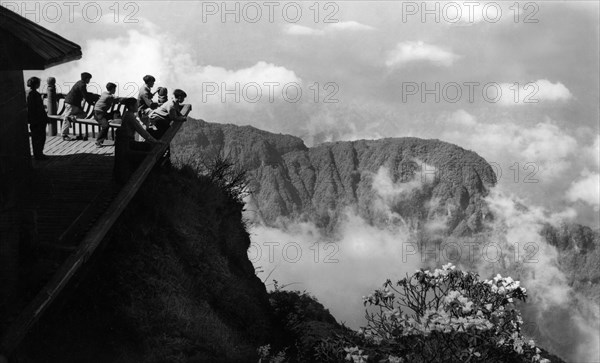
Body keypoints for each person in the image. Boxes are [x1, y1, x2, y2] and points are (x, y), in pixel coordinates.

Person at [113, 97, 161, 184]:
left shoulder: (127, 114)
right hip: (127, 143)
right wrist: (155, 141)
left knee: (145, 148)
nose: (138, 106)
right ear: (131, 106)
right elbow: (142, 131)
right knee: (148, 148)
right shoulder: (130, 117)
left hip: (123, 142)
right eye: (136, 105)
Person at [61, 72, 96, 141]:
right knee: (66, 118)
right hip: (72, 104)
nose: (89, 81)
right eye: (89, 79)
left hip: (69, 102)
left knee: (83, 114)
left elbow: (84, 94)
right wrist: (92, 102)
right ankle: (64, 135)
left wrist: (92, 95)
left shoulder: (79, 83)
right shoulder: (82, 85)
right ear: (86, 79)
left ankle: (71, 118)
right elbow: (85, 96)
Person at [26, 77, 48, 160]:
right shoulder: (35, 94)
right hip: (39, 119)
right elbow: (38, 108)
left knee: (35, 137)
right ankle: (39, 154)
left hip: (32, 119)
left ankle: (37, 154)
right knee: (41, 137)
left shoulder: (27, 93)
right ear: (36, 84)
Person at [93, 82, 118, 147]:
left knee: (116, 112)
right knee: (105, 126)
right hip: (99, 114)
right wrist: (115, 97)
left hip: (101, 113)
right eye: (115, 89)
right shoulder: (109, 96)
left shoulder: (104, 93)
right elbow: (117, 100)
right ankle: (98, 141)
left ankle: (114, 121)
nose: (115, 90)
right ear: (112, 89)